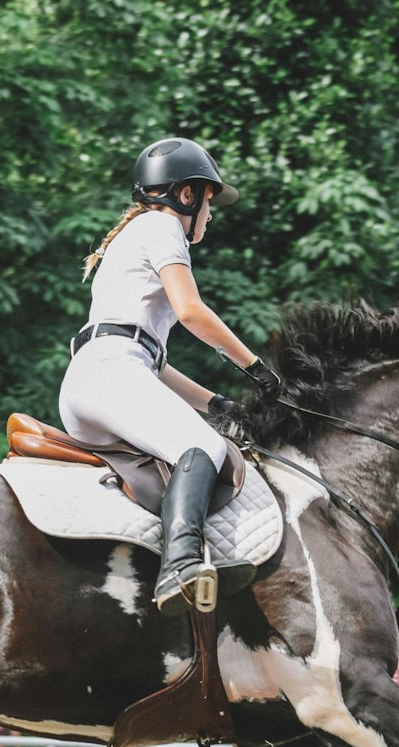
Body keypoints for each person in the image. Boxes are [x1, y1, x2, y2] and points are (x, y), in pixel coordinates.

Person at [60, 137, 282, 615]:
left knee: (198, 435)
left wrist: (218, 404)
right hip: (112, 375)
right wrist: (256, 367)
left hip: (98, 377)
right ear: (186, 195)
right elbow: (191, 310)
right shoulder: (162, 227)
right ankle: (181, 566)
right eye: (209, 201)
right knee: (202, 447)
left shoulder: (132, 235)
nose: (210, 213)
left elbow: (152, 363)